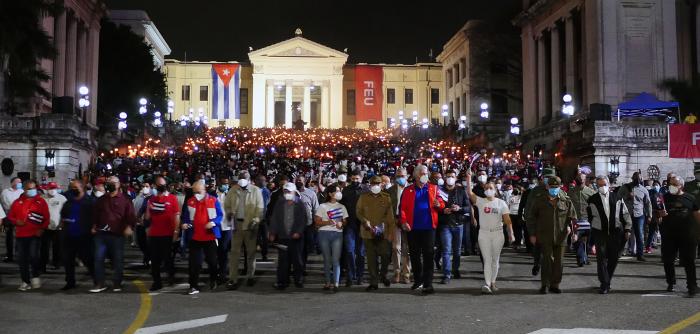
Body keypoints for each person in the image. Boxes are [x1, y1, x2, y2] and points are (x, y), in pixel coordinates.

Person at [399, 164, 445, 295]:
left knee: (428, 255)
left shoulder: (434, 188)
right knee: (414, 255)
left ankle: (428, 284)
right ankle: (418, 280)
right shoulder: (408, 191)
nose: (425, 175)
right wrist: (404, 222)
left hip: (429, 228)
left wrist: (439, 204)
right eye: (422, 173)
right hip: (412, 228)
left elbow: (441, 203)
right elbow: (402, 208)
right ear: (416, 175)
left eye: (426, 173)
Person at [526, 176, 576, 294]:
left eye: (556, 187)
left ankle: (555, 284)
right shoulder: (539, 200)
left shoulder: (566, 200)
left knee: (559, 262)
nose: (554, 189)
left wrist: (573, 231)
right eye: (552, 187)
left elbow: (572, 218)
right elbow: (531, 217)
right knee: (546, 261)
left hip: (561, 235)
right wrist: (532, 234)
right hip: (544, 235)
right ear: (547, 187)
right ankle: (545, 284)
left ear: (560, 187)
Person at [466, 172, 514, 294]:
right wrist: (468, 177)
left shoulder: (501, 203)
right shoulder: (481, 201)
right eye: (486, 188)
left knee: (495, 259)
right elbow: (470, 193)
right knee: (487, 259)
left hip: (498, 234)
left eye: (490, 188)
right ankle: (487, 284)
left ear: (495, 190)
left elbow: (507, 220)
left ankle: (493, 282)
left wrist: (511, 233)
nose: (488, 190)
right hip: (483, 234)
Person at [90, 176, 136, 293]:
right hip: (101, 234)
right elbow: (95, 214)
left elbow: (130, 215)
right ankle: (100, 283)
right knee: (98, 259)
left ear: (118, 184)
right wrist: (94, 225)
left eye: (113, 182)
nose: (110, 184)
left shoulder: (125, 199)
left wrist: (130, 226)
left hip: (117, 234)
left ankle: (117, 283)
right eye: (109, 182)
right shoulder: (102, 200)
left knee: (117, 260)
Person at [587, 176, 632, 294]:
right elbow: (590, 216)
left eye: (604, 184)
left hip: (615, 232)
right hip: (599, 232)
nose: (602, 187)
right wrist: (594, 225)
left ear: (609, 184)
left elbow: (625, 214)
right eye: (600, 185)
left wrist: (627, 229)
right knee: (601, 258)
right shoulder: (592, 199)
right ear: (597, 186)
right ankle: (604, 284)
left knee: (614, 257)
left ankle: (607, 280)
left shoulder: (617, 198)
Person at [658, 175, 699, 297]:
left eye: (674, 184)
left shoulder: (690, 198)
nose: (671, 187)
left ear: (681, 185)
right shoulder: (664, 198)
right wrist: (660, 214)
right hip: (669, 235)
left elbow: (697, 214)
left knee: (689, 261)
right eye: (670, 184)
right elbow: (657, 217)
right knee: (668, 260)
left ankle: (692, 286)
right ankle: (671, 282)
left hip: (687, 235)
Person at [182, 180, 223, 295]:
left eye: (198, 191)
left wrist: (214, 223)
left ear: (204, 190)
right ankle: (193, 286)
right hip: (195, 237)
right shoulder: (190, 202)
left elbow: (220, 215)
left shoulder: (213, 200)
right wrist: (184, 223)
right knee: (194, 263)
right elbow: (185, 217)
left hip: (210, 237)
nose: (196, 194)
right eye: (194, 192)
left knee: (212, 261)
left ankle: (214, 280)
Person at [225, 172, 264, 290]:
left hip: (250, 225)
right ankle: (233, 278)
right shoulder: (233, 190)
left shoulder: (256, 190)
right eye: (241, 178)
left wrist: (256, 220)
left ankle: (250, 276)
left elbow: (260, 208)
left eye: (245, 178)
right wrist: (229, 213)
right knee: (234, 253)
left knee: (251, 253)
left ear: (249, 179)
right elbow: (227, 205)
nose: (242, 180)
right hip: (237, 225)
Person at [8, 180, 50, 291]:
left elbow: (46, 217)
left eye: (33, 188)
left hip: (34, 235)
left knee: (33, 256)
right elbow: (11, 216)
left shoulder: (41, 202)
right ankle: (25, 281)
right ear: (24, 189)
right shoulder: (17, 202)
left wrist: (41, 229)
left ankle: (35, 276)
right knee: (22, 259)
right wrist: (16, 222)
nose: (31, 191)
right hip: (21, 235)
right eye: (29, 188)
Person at [356, 176, 395, 291]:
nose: (375, 185)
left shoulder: (386, 198)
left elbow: (390, 217)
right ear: (370, 185)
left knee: (385, 256)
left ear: (381, 185)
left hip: (383, 232)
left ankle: (383, 275)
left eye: (377, 183)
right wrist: (364, 221)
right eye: (373, 183)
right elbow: (358, 212)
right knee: (371, 258)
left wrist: (390, 232)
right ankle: (374, 282)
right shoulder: (363, 198)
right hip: (368, 232)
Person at [269, 183, 307, 290]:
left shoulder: (300, 204)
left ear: (294, 192)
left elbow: (303, 220)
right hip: (283, 236)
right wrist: (272, 232)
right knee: (283, 261)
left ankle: (298, 280)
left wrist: (298, 232)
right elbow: (274, 219)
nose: (287, 193)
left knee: (297, 260)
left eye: (289, 191)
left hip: (296, 238)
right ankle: (282, 281)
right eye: (285, 191)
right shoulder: (279, 203)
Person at [144, 176, 180, 291]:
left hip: (168, 234)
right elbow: (147, 217)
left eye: (163, 184)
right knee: (154, 260)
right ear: (155, 186)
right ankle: (157, 282)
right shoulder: (151, 200)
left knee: (168, 258)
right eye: (159, 184)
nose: (161, 186)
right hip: (154, 234)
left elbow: (177, 216)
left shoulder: (173, 198)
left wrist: (176, 231)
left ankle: (171, 277)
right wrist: (148, 209)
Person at [59, 180, 95, 290]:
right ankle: (70, 282)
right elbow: (63, 215)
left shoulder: (90, 202)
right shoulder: (69, 202)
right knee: (68, 260)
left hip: (84, 236)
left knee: (88, 259)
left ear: (82, 187)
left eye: (76, 187)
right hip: (69, 235)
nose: (73, 189)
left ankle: (97, 280)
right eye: (72, 187)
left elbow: (95, 217)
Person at [438, 169, 471, 284]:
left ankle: (455, 269)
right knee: (446, 250)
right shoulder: (439, 191)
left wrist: (460, 209)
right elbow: (435, 207)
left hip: (459, 224)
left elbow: (468, 207)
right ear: (444, 178)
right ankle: (446, 274)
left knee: (457, 251)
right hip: (445, 225)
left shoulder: (461, 191)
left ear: (456, 178)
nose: (450, 178)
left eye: (452, 176)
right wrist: (443, 210)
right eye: (448, 176)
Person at [314, 185, 347, 292]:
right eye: (336, 191)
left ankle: (336, 283)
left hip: (337, 234)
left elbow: (345, 221)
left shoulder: (342, 206)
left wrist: (341, 223)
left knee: (335, 260)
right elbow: (317, 222)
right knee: (327, 260)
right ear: (330, 194)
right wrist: (328, 222)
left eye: (339, 190)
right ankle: (328, 282)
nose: (339, 192)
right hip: (324, 234)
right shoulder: (322, 206)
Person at [617, 172, 652, 261]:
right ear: (632, 178)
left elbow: (648, 203)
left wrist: (649, 215)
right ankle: (619, 252)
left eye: (639, 179)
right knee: (624, 234)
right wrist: (626, 196)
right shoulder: (624, 187)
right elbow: (617, 199)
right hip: (626, 214)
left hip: (639, 214)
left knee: (639, 235)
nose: (638, 180)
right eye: (636, 178)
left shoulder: (644, 190)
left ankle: (640, 254)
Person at [385, 167, 411, 284]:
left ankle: (406, 274)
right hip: (395, 221)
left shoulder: (412, 189)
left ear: (407, 176)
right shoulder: (390, 190)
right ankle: (396, 272)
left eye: (403, 176)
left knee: (407, 249)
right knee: (396, 248)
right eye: (398, 176)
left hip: (409, 222)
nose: (400, 178)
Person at [340, 171, 366, 287]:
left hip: (362, 225)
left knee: (360, 253)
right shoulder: (346, 190)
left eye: (357, 178)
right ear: (350, 178)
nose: (355, 180)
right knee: (349, 251)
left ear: (361, 178)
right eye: (353, 178)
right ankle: (350, 276)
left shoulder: (366, 190)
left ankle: (360, 276)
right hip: (349, 225)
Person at [569, 172, 596, 267]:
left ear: (585, 180)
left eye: (582, 178)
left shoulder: (591, 192)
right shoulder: (571, 191)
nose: (581, 180)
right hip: (575, 219)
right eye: (579, 178)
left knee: (587, 241)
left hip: (587, 219)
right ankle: (580, 258)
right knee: (577, 240)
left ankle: (585, 257)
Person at [295, 176, 320, 275]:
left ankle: (302, 267)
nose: (299, 182)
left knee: (305, 249)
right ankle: (296, 267)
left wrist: (316, 223)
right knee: (296, 248)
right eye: (297, 180)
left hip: (307, 225)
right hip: (294, 226)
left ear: (305, 182)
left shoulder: (311, 193)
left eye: (300, 180)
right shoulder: (291, 193)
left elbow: (315, 209)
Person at [41, 182, 67, 272]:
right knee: (44, 247)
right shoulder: (42, 198)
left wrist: (62, 223)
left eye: (54, 188)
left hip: (58, 227)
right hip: (45, 227)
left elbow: (65, 212)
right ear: (47, 189)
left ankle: (57, 263)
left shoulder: (62, 198)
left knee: (58, 247)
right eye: (50, 188)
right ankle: (43, 265)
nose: (52, 190)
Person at [1, 177, 24, 262]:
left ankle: (19, 255)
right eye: (18, 182)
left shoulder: (21, 192)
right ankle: (9, 255)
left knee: (20, 236)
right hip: (9, 217)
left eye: (20, 182)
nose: (20, 184)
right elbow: (6, 204)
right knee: (9, 237)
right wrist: (16, 208)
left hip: (20, 216)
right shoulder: (6, 192)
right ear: (12, 183)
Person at [215, 177, 232, 284]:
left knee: (224, 250)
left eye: (227, 184)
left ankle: (223, 273)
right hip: (215, 226)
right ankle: (216, 271)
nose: (225, 185)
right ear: (219, 183)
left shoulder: (231, 194)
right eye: (223, 183)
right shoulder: (212, 194)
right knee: (215, 251)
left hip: (227, 226)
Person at [133, 182, 153, 267]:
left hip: (150, 225)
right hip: (140, 224)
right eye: (144, 186)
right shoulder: (139, 198)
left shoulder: (152, 198)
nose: (145, 188)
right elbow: (138, 210)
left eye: (147, 186)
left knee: (148, 243)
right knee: (141, 243)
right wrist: (137, 218)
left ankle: (148, 258)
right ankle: (147, 256)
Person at [255, 175, 271, 262]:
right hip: (254, 218)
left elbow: (267, 204)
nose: (262, 182)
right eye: (260, 180)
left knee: (265, 238)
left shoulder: (266, 191)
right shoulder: (252, 190)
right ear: (256, 181)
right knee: (255, 237)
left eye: (264, 180)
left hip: (264, 219)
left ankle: (264, 254)